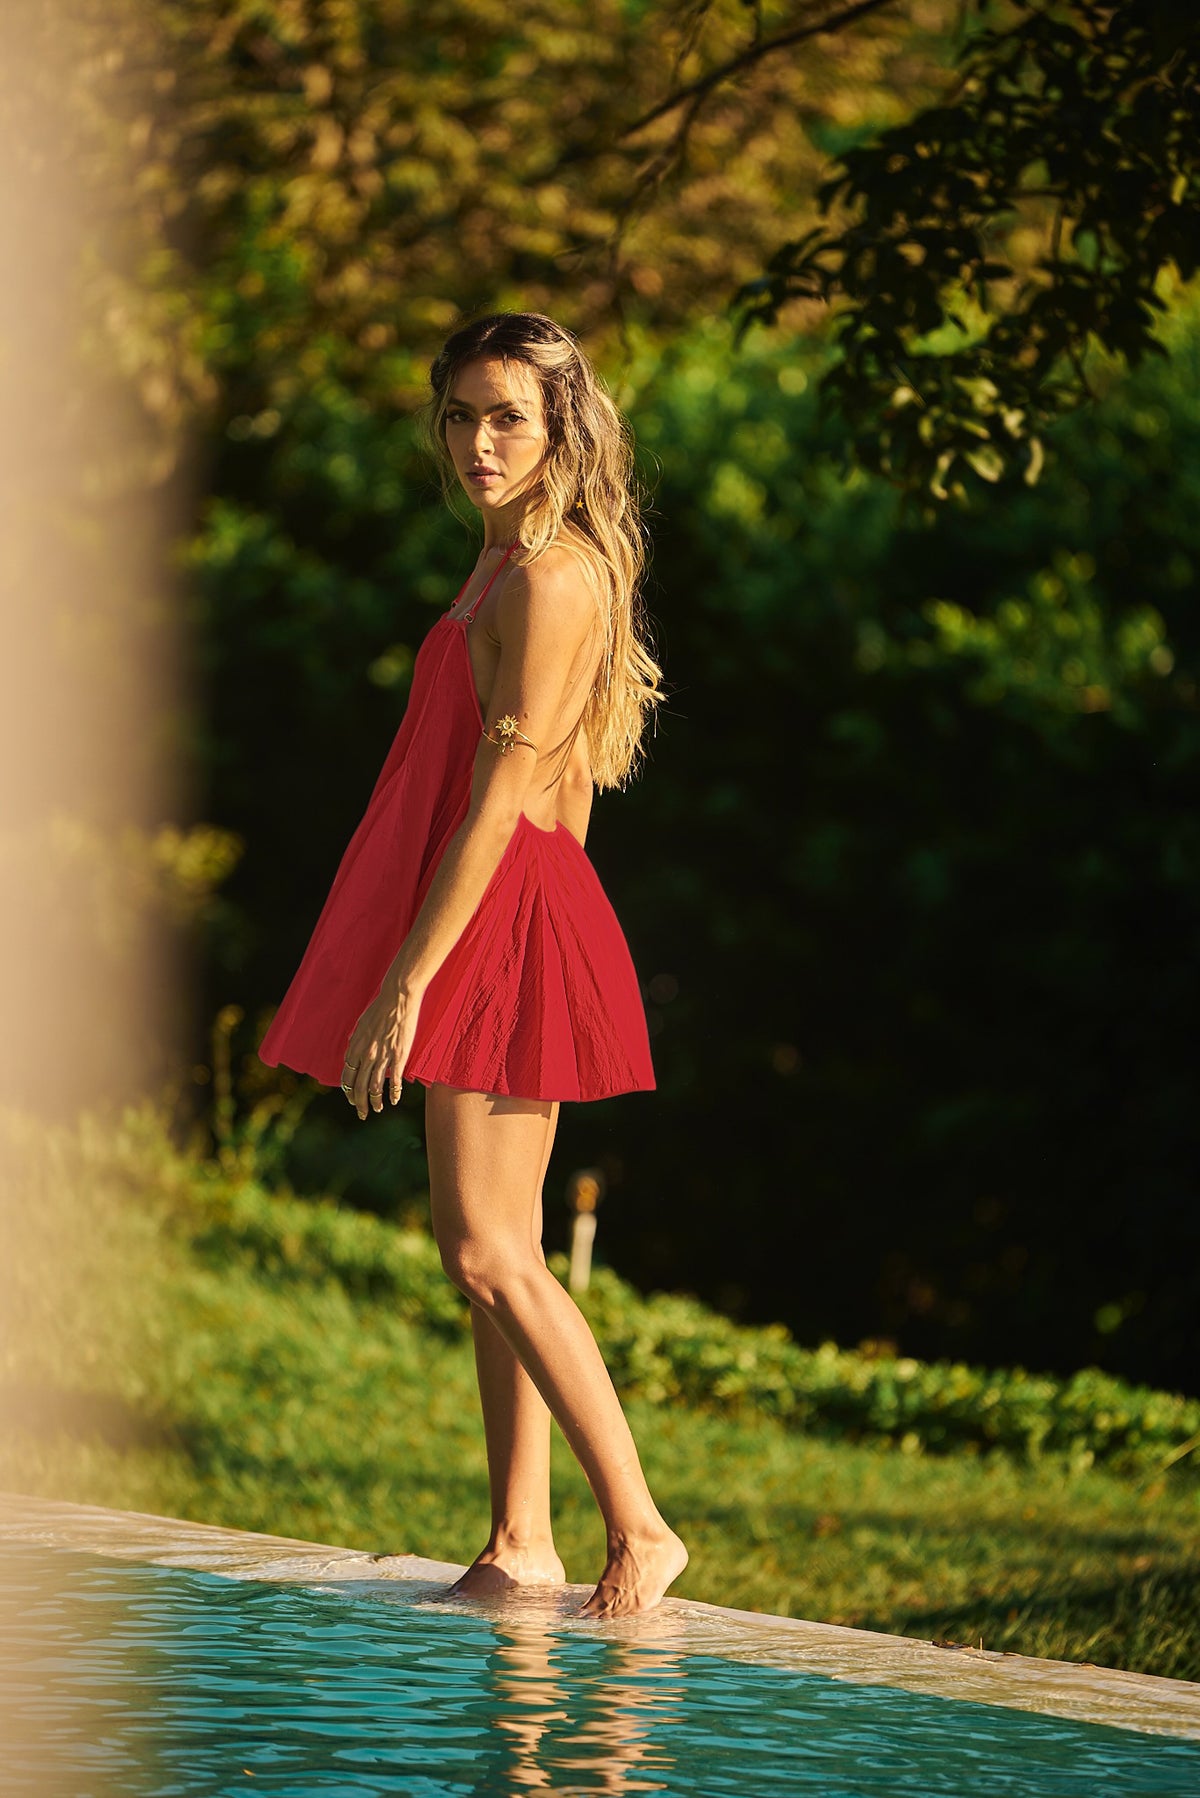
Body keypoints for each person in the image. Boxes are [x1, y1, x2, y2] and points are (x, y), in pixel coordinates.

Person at [258, 311, 688, 1617]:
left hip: (503, 916)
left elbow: (510, 803)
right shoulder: (501, 566)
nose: (477, 440)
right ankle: (520, 1535)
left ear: (562, 425)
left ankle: (645, 1525)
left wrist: (408, 981)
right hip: (494, 909)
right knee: (484, 1247)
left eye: (506, 415)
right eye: (459, 413)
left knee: (490, 1247)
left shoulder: (551, 579)